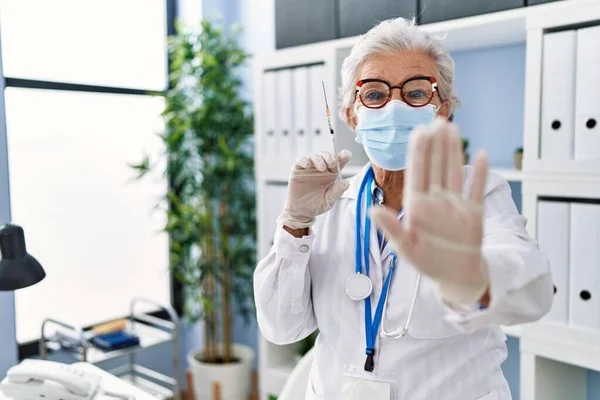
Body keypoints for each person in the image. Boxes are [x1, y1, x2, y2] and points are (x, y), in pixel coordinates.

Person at [253, 17, 552, 400]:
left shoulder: (476, 194)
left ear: (442, 111)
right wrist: (294, 225)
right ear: (351, 115)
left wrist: (477, 279)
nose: (394, 106)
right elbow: (281, 327)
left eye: (415, 92)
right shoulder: (327, 203)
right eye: (374, 94)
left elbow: (535, 291)